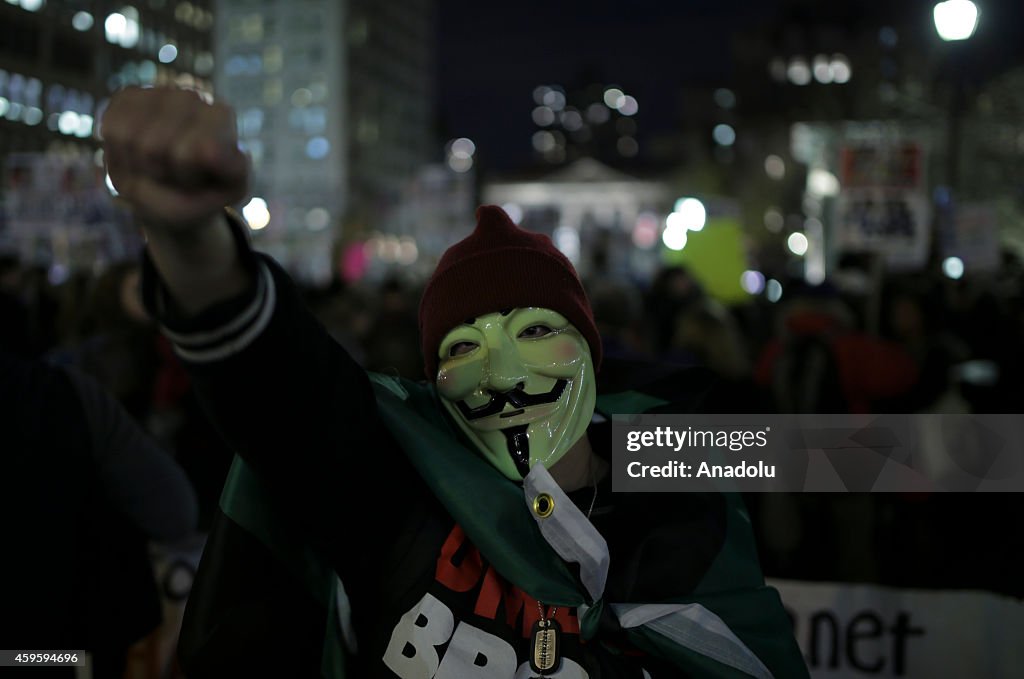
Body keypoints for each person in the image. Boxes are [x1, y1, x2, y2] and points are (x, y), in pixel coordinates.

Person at [100, 87, 806, 678]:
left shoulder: (667, 449)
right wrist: (195, 248)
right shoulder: (405, 478)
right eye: (465, 348)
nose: (502, 373)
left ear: (589, 349)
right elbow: (283, 389)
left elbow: (884, 455)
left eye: (533, 330)